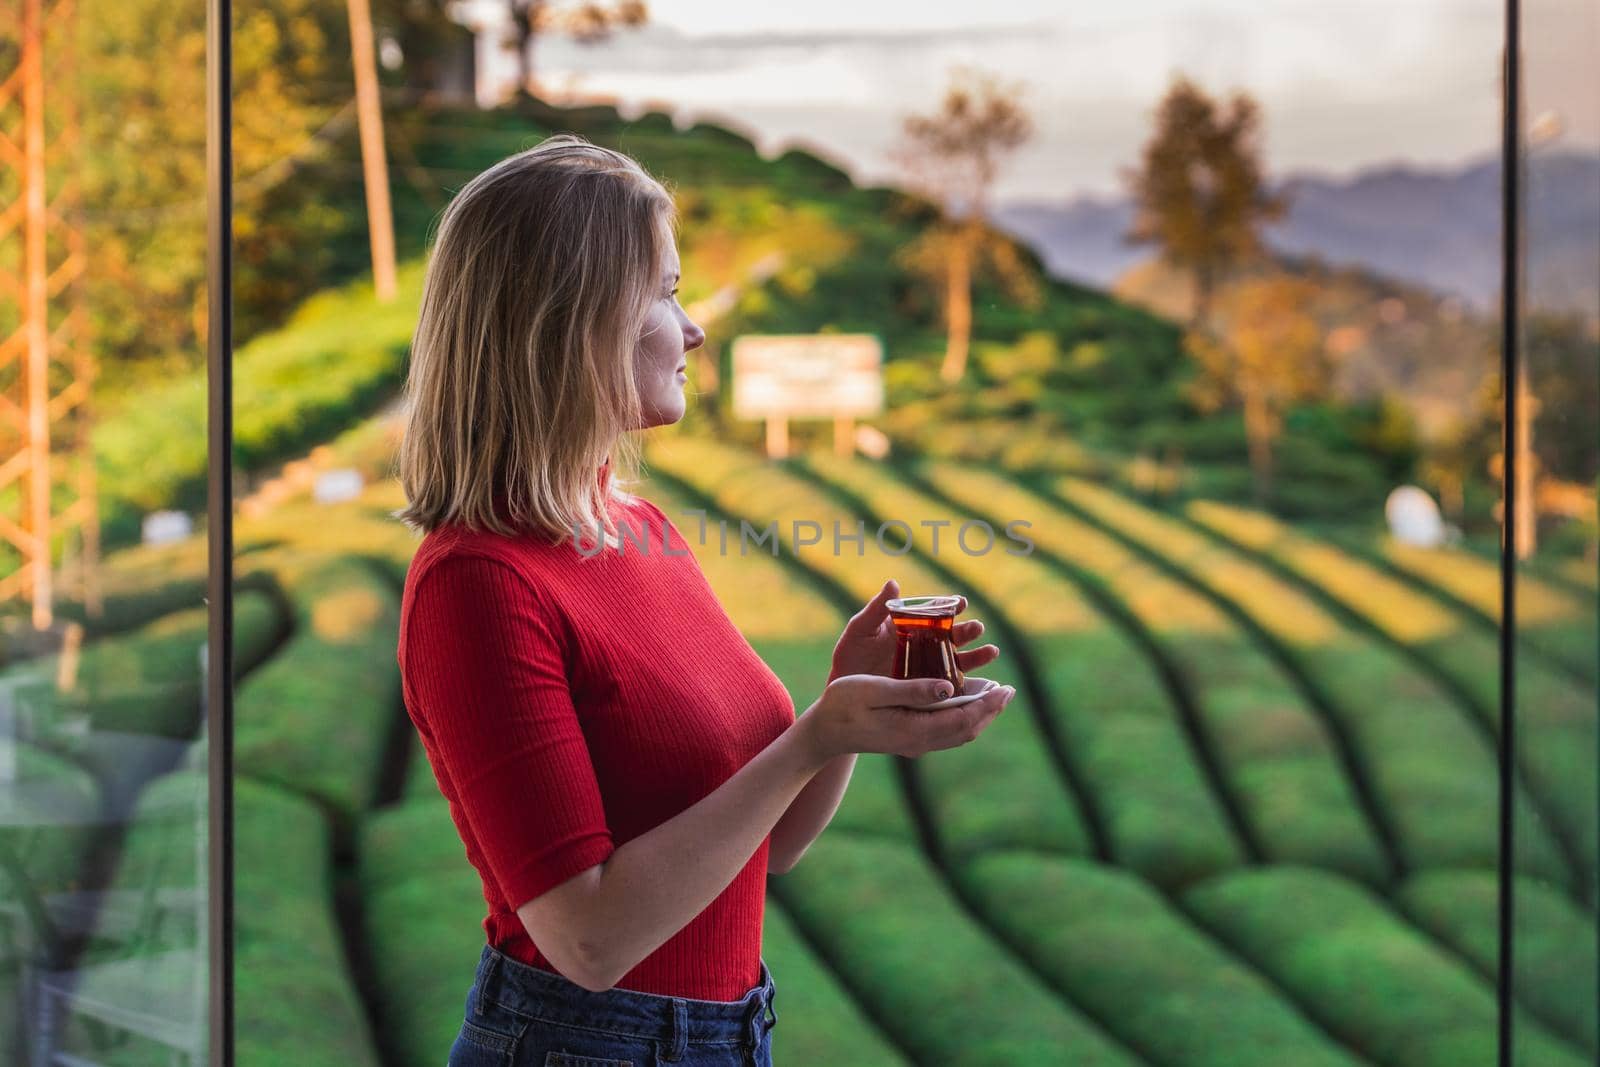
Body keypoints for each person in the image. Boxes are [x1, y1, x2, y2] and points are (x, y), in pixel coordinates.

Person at [393, 133, 1016, 1067]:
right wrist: (810, 737)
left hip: (726, 1034)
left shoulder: (636, 525)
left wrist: (842, 713)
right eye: (666, 292)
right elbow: (589, 940)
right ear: (572, 318)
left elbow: (777, 844)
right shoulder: (476, 581)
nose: (693, 329)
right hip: (583, 1047)